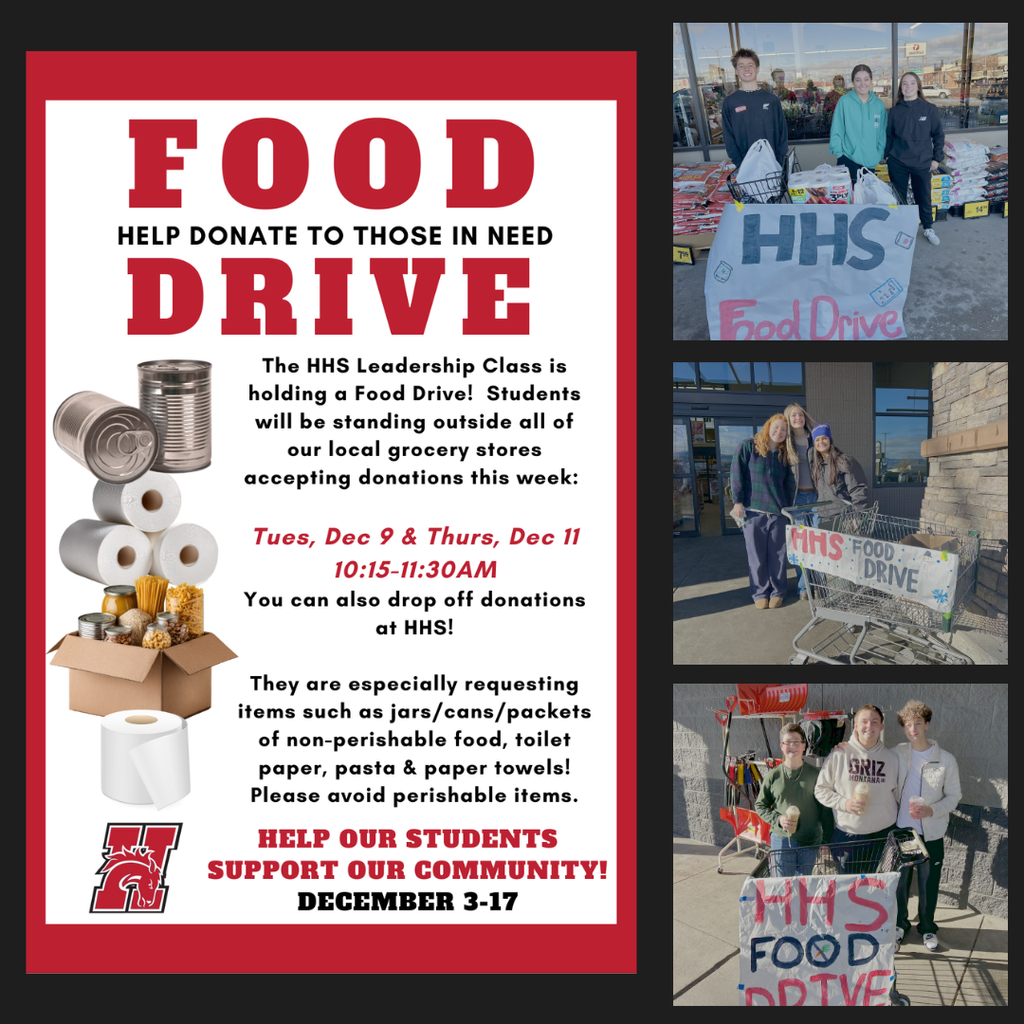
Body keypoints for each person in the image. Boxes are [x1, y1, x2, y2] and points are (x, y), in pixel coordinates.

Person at [893, 700, 961, 952]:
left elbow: (954, 796)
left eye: (918, 724)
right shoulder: (898, 753)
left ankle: (928, 928)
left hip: (931, 833)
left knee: (928, 883)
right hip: (904, 832)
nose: (913, 729)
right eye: (908, 725)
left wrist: (932, 810)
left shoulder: (946, 760)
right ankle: (900, 924)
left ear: (927, 725)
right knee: (901, 883)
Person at [814, 705, 905, 875]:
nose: (869, 726)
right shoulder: (839, 754)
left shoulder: (892, 759)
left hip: (883, 835)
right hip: (849, 835)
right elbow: (820, 790)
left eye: (874, 722)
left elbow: (899, 793)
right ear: (855, 725)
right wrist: (844, 803)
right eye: (864, 722)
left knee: (873, 888)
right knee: (849, 889)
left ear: (881, 726)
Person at [730, 413, 794, 609]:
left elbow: (788, 484)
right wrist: (737, 501)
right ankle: (759, 592)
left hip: (778, 513)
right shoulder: (749, 446)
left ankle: (778, 591)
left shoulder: (784, 456)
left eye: (783, 429)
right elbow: (736, 473)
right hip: (753, 511)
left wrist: (789, 509)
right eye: (776, 427)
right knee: (756, 556)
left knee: (778, 556)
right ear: (768, 427)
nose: (779, 432)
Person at [755, 723, 823, 877]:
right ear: (781, 746)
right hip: (782, 840)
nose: (792, 746)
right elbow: (760, 805)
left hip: (809, 840)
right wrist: (778, 819)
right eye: (788, 742)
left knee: (802, 886)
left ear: (804, 746)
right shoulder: (773, 776)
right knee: (782, 887)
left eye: (797, 742)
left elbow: (824, 810)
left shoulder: (816, 774)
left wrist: (826, 841)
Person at [885, 71, 944, 246]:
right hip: (898, 162)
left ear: (918, 87)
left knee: (923, 196)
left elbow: (938, 135)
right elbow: (889, 136)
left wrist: (936, 159)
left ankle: (928, 227)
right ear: (900, 89)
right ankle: (901, 227)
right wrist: (887, 156)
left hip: (922, 162)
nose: (908, 86)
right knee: (899, 197)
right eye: (904, 84)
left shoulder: (929, 109)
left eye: (912, 83)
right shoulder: (895, 111)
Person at [721, 49, 789, 170]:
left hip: (773, 165)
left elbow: (782, 132)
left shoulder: (772, 100)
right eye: (741, 66)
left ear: (757, 69)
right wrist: (741, 164)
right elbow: (728, 137)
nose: (746, 69)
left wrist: (780, 159)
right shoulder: (730, 102)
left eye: (750, 65)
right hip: (746, 167)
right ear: (736, 71)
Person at [828, 64, 887, 195]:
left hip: (871, 160)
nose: (862, 83)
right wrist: (839, 154)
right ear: (853, 82)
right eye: (858, 80)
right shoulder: (844, 102)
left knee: (867, 199)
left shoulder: (879, 105)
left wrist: (879, 153)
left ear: (871, 81)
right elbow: (837, 129)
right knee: (849, 200)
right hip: (848, 159)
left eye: (866, 79)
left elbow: (882, 132)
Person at [782, 403, 818, 600]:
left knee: (820, 544)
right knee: (801, 545)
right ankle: (804, 587)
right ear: (788, 418)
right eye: (794, 415)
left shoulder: (815, 437)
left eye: (801, 414)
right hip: (796, 499)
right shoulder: (786, 442)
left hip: (816, 498)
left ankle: (818, 586)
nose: (798, 418)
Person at [809, 424, 870, 522]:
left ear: (830, 440)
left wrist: (859, 516)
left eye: (824, 438)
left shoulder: (843, 461)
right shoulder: (817, 466)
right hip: (824, 518)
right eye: (817, 439)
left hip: (844, 518)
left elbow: (858, 489)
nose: (821, 442)